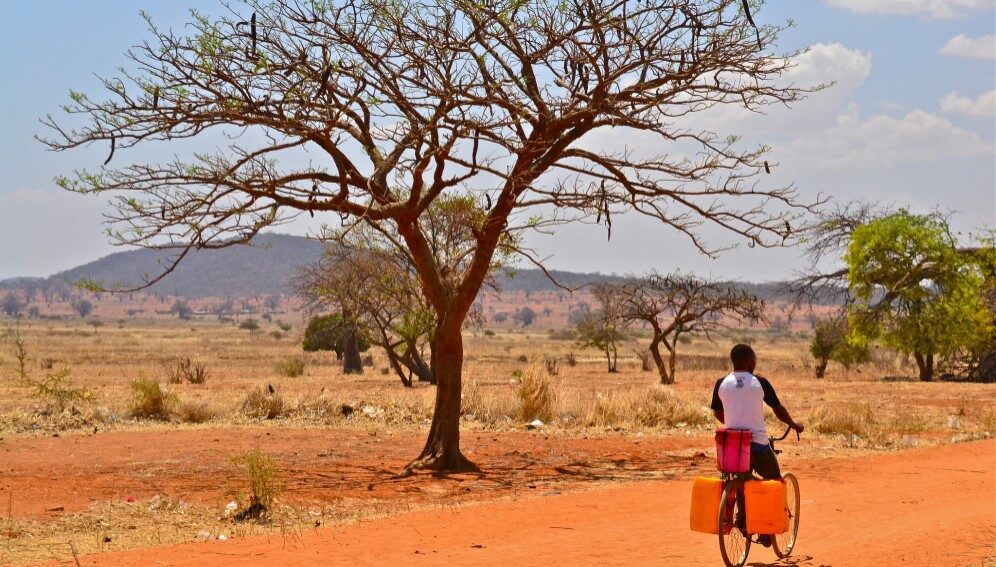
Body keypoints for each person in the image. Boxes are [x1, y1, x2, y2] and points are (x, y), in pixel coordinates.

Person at [710, 343, 804, 546]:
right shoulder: (759, 382)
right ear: (747, 361)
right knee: (774, 481)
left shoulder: (721, 383)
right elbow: (778, 409)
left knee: (742, 480)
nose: (755, 363)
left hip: (732, 446)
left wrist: (733, 423)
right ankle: (766, 530)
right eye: (753, 359)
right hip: (758, 444)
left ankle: (741, 521)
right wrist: (794, 425)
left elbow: (717, 411)